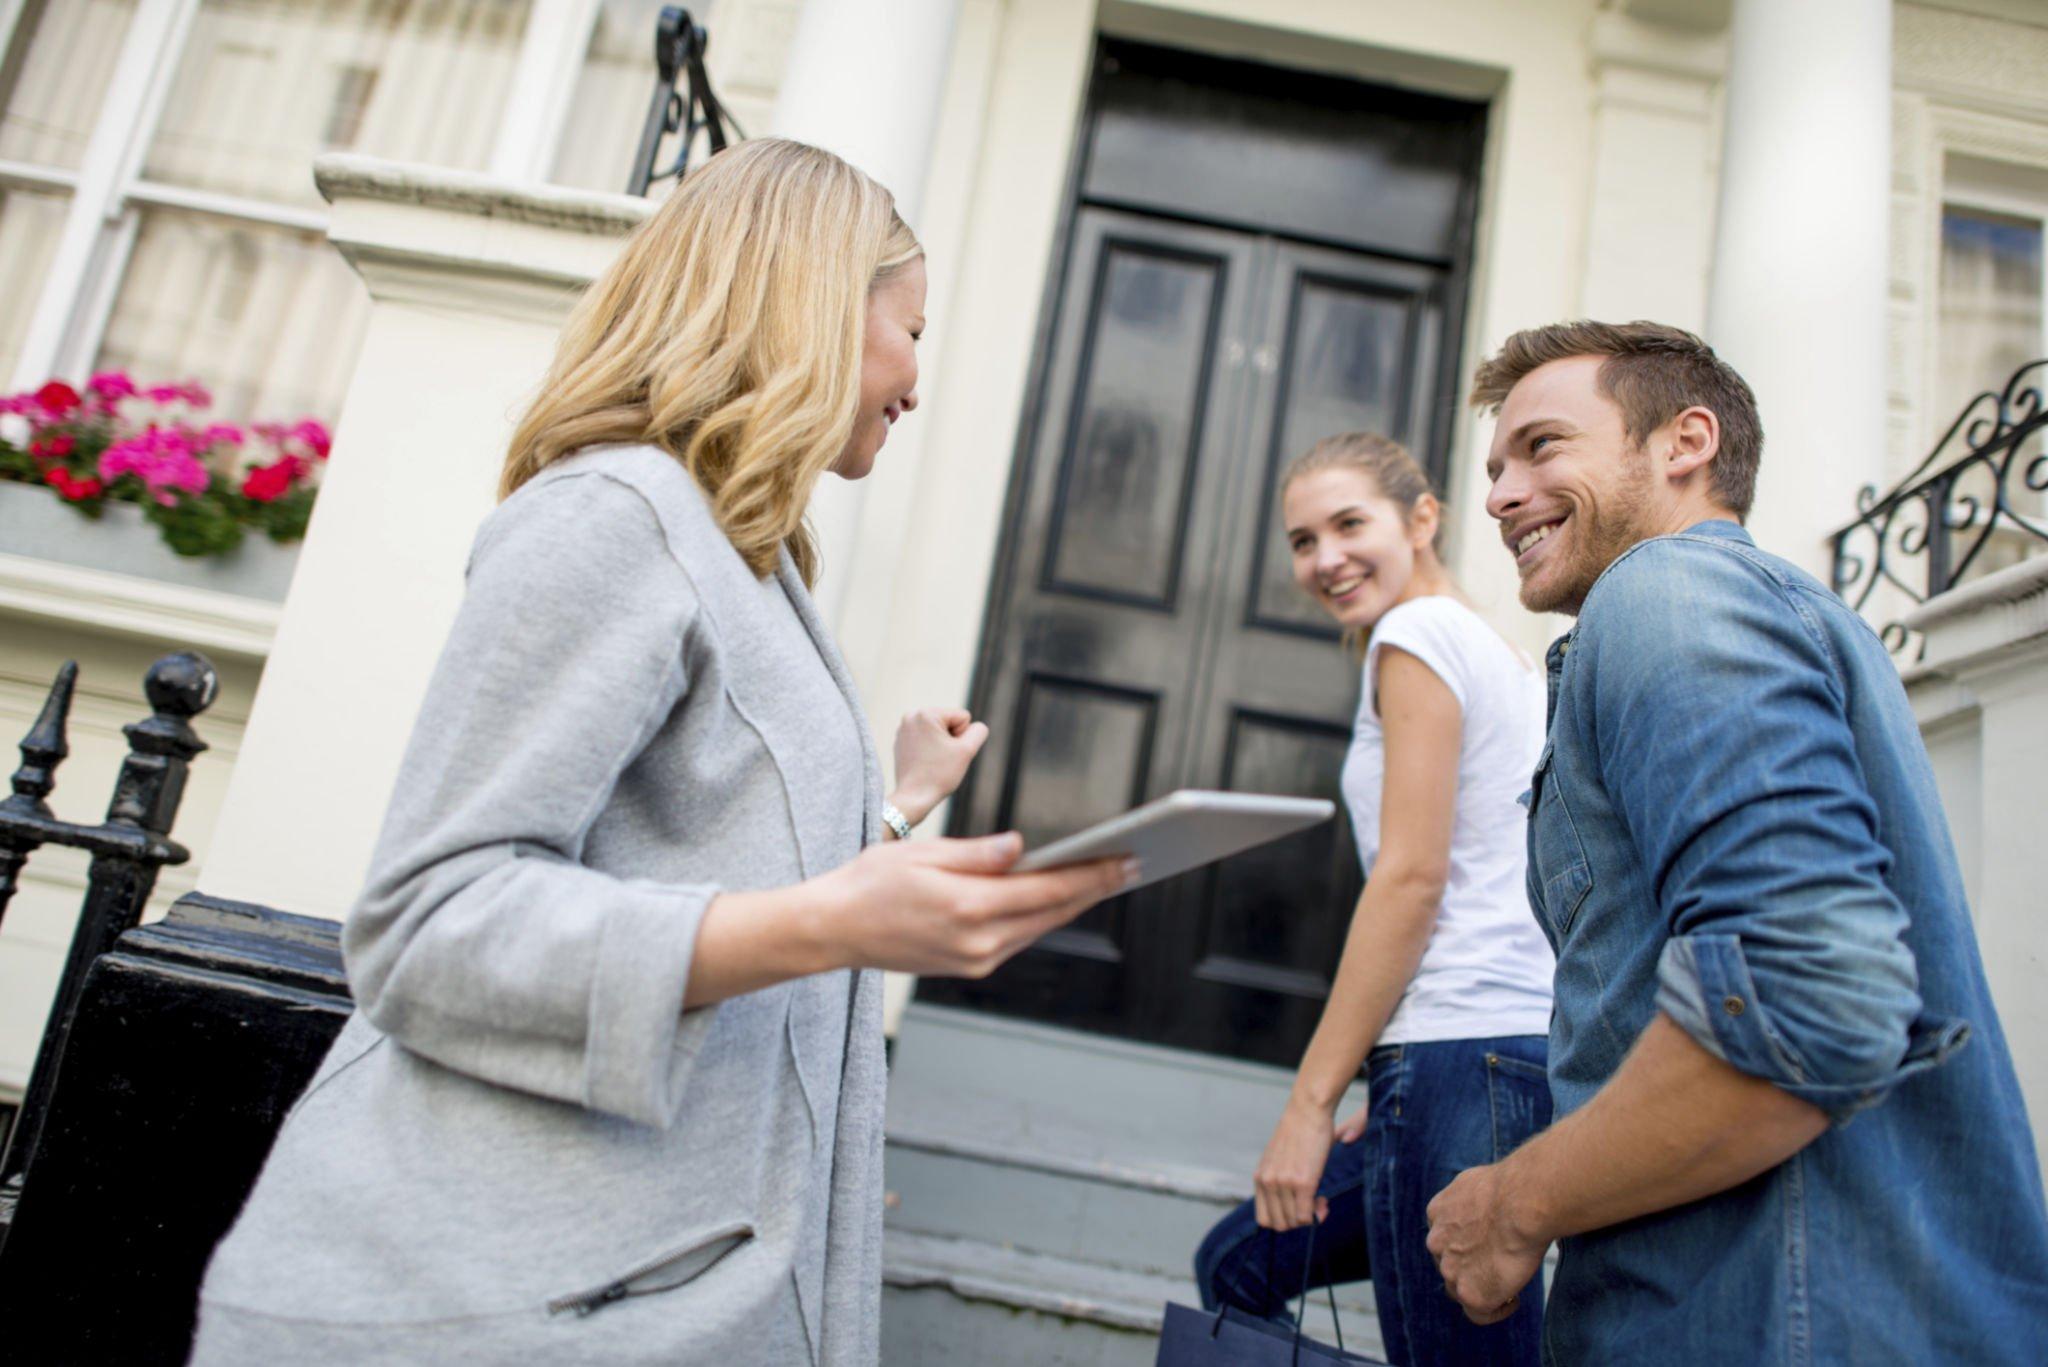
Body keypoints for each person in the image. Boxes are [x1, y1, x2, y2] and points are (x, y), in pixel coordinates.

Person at [189, 139, 1132, 1365]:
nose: (915, 379)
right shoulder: (611, 517)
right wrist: (834, 922)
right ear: (805, 307)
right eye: (909, 329)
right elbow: (426, 924)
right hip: (503, 1310)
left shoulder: (749, 555)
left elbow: (697, 861)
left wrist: (892, 816)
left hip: (651, 1293)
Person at [1426, 320, 2048, 1362]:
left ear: (1684, 442)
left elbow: (1807, 998)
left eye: (1540, 446)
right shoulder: (1771, 612)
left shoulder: (1666, 592)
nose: (1496, 495)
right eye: (1494, 467)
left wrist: (1515, 1202)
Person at [1192, 432, 1555, 1365]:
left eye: (1350, 524)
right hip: (1493, 1053)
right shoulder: (1505, 654)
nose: (1324, 559)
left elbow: (1412, 875)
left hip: (1455, 1049)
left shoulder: (1414, 636)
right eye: (1303, 540)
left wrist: (1311, 1103)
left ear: (1422, 517)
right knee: (1239, 1265)